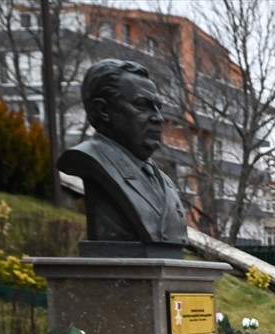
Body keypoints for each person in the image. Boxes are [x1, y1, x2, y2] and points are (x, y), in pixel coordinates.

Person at [57, 59, 188, 247]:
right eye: (142, 105)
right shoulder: (90, 159)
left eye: (158, 107)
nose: (158, 118)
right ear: (103, 110)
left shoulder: (165, 182)